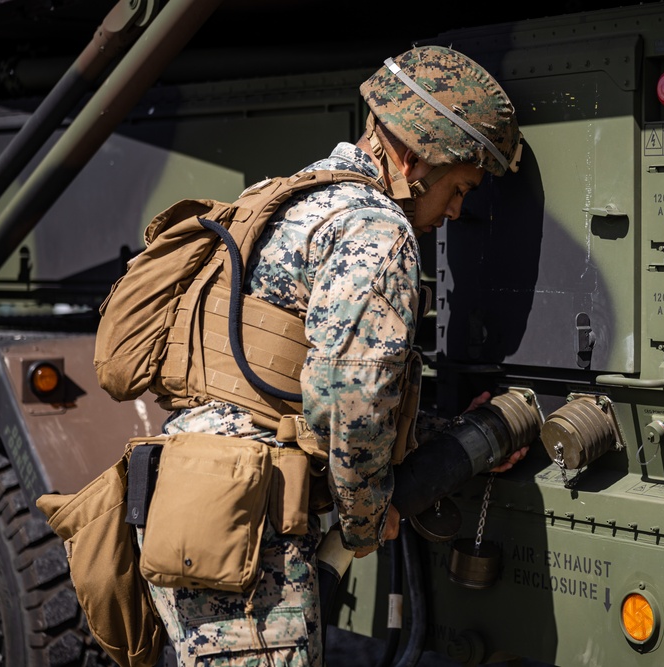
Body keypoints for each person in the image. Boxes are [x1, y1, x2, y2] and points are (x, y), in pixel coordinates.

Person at [140, 45, 527, 666]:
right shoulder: (377, 228)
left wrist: (437, 433)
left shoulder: (290, 196)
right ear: (417, 157)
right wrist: (368, 516)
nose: (457, 210)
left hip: (195, 497)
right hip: (250, 528)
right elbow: (353, 397)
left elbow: (277, 380)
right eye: (460, 187)